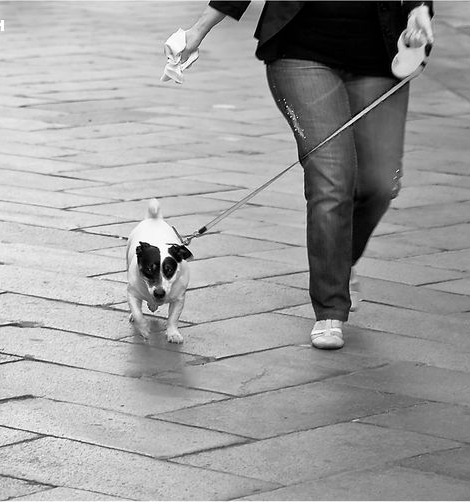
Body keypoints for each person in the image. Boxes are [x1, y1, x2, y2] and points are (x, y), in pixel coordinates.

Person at [178, 1, 434, 349]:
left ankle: (341, 263)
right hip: (301, 52)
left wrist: (421, 8)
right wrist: (198, 29)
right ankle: (330, 308)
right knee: (331, 177)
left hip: (383, 56)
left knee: (378, 184)